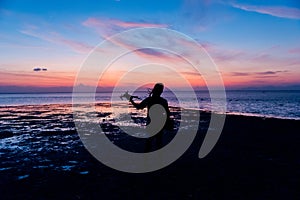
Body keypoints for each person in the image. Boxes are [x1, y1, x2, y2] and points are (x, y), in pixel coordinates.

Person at [129, 83, 171, 151]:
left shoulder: (149, 100)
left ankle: (147, 160)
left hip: (150, 125)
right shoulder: (163, 101)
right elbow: (168, 113)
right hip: (160, 125)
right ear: (161, 91)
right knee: (158, 144)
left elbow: (139, 107)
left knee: (149, 144)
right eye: (161, 90)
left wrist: (131, 101)